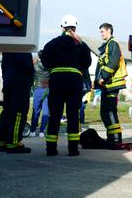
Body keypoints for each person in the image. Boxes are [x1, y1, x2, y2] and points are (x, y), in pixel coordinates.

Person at [40, 15, 92, 156]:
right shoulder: (81, 44)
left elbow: (45, 61)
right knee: (73, 114)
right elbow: (87, 63)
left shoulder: (52, 43)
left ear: (62, 27)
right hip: (74, 81)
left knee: (55, 114)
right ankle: (73, 149)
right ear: (75, 27)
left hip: (57, 80)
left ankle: (51, 148)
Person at [95, 22, 128, 148]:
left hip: (112, 84)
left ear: (109, 31)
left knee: (109, 111)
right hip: (106, 85)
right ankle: (111, 137)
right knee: (104, 112)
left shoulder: (112, 43)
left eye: (102, 31)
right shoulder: (107, 45)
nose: (101, 34)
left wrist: (103, 77)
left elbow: (113, 62)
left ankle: (115, 138)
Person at [0, 52, 35, 154]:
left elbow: (4, 66)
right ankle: (14, 143)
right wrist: (31, 77)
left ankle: (2, 141)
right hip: (20, 85)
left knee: (7, 112)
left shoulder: (8, 48)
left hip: (8, 83)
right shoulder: (23, 49)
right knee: (19, 114)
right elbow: (27, 67)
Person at [31, 53, 50, 138]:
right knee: (46, 111)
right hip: (47, 90)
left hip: (38, 89)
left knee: (36, 111)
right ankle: (42, 131)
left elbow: (31, 76)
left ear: (39, 56)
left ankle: (33, 130)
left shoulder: (35, 66)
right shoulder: (50, 66)